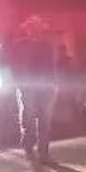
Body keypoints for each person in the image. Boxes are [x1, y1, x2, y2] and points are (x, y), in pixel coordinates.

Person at [8, 15, 57, 163]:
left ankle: (43, 153)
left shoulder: (46, 44)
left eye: (37, 27)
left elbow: (51, 65)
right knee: (28, 118)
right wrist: (19, 82)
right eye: (32, 27)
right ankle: (29, 146)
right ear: (28, 29)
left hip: (44, 86)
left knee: (44, 120)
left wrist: (53, 84)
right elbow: (13, 65)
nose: (35, 30)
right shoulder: (19, 45)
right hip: (28, 85)